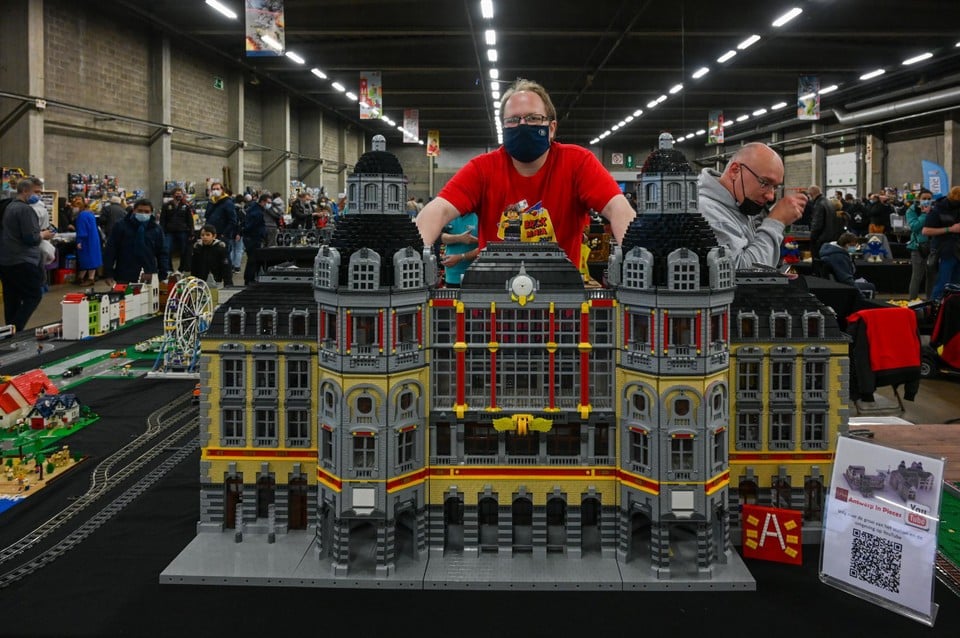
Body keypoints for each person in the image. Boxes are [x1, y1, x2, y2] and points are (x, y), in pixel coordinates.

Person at [415, 78, 635, 266]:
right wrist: (413, 254)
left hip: (559, 303)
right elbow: (439, 210)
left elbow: (617, 207)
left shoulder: (578, 162)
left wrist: (635, 254)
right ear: (503, 128)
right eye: (513, 120)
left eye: (533, 118)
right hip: (493, 303)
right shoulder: (482, 169)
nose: (522, 124)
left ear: (551, 128)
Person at [697, 142, 807, 269]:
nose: (771, 196)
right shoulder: (707, 212)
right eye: (764, 183)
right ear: (735, 171)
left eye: (775, 187)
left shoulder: (738, 204)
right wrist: (776, 221)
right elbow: (742, 274)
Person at [0, 177, 55, 331]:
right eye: (36, 192)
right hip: (22, 260)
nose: (38, 195)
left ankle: (9, 332)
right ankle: (16, 328)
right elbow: (30, 238)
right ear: (25, 191)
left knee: (12, 299)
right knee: (34, 295)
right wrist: (43, 235)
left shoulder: (8, 207)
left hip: (6, 260)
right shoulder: (25, 210)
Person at [102, 199, 168, 286]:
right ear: (134, 210)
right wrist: (108, 273)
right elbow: (111, 249)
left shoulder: (156, 229)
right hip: (124, 274)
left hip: (148, 273)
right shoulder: (121, 226)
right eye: (140, 211)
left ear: (151, 213)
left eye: (146, 211)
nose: (143, 214)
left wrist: (163, 274)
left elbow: (162, 252)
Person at [922, 186, 960, 299]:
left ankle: (951, 312)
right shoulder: (938, 210)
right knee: (941, 285)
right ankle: (934, 313)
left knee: (956, 287)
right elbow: (926, 231)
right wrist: (950, 229)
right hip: (943, 252)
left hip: (957, 252)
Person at [819, 232, 876, 298]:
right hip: (842, 287)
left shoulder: (831, 251)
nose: (856, 247)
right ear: (847, 245)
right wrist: (861, 296)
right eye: (854, 245)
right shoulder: (838, 257)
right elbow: (846, 279)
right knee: (871, 287)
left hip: (835, 284)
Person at [204, 181, 240, 272]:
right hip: (211, 235)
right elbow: (207, 216)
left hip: (223, 235)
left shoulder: (227, 202)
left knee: (224, 259)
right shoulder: (211, 202)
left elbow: (233, 220)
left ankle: (227, 278)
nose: (215, 191)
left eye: (217, 189)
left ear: (222, 190)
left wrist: (224, 234)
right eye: (213, 189)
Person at [905, 189, 935, 300]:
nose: (927, 201)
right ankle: (912, 301)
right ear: (919, 199)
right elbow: (914, 227)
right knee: (917, 276)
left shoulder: (935, 210)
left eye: (929, 199)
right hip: (918, 247)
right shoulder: (912, 211)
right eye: (924, 199)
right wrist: (924, 214)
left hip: (933, 247)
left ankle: (930, 301)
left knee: (932, 276)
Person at [159, 186, 195, 272]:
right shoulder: (166, 206)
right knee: (167, 250)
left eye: (180, 194)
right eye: (177, 194)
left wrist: (191, 233)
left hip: (182, 231)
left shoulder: (186, 206)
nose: (178, 195)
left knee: (184, 251)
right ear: (173, 195)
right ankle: (169, 269)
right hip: (169, 232)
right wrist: (161, 232)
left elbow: (190, 220)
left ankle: (181, 269)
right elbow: (162, 220)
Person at [440, 212, 479, 287]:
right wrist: (459, 238)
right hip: (452, 275)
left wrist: (461, 257)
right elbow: (440, 237)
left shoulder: (479, 217)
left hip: (475, 274)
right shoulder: (448, 215)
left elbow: (485, 247)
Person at [73, 198, 102, 285]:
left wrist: (79, 241)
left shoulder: (81, 216)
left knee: (85, 259)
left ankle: (88, 278)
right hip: (93, 239)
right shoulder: (90, 214)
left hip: (86, 240)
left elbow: (82, 230)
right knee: (92, 258)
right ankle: (83, 277)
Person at [241, 194, 268, 285]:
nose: (268, 204)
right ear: (263, 202)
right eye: (268, 202)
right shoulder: (257, 212)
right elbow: (253, 226)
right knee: (252, 260)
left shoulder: (254, 209)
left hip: (250, 238)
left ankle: (250, 278)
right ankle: (249, 279)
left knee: (252, 259)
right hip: (253, 238)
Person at [808, 185, 842, 257]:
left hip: (820, 240)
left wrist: (812, 238)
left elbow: (817, 224)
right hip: (830, 238)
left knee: (818, 261)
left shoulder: (819, 204)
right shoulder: (828, 202)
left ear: (811, 194)